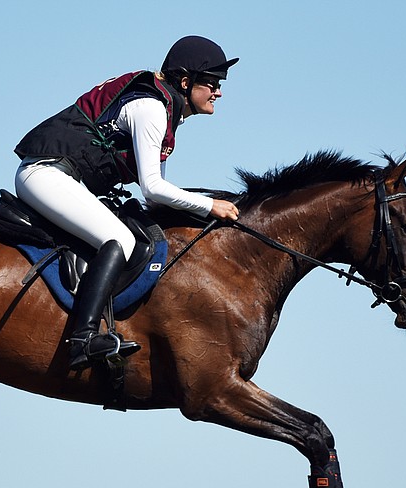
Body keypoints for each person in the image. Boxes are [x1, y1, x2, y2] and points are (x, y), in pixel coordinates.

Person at [14, 35, 241, 370]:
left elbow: (157, 191)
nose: (218, 92)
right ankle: (83, 340)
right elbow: (153, 188)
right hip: (45, 174)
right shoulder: (151, 110)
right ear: (184, 81)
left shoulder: (164, 110)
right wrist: (209, 206)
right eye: (211, 83)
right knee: (120, 238)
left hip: (62, 178)